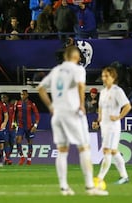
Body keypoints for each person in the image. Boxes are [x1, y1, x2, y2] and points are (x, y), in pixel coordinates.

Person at [37, 46, 108, 196]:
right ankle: (90, 187)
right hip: (72, 112)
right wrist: (82, 104)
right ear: (76, 57)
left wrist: (50, 106)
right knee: (84, 148)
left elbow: (40, 88)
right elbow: (81, 86)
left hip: (57, 114)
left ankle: (64, 187)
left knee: (62, 151)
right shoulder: (78, 69)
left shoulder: (56, 70)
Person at [92, 67, 131, 186]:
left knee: (107, 151)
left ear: (113, 77)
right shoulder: (103, 92)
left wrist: (118, 117)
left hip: (113, 127)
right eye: (103, 76)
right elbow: (100, 108)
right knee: (114, 151)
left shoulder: (117, 91)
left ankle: (99, 178)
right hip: (104, 126)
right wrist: (98, 121)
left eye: (106, 76)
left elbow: (128, 106)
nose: (104, 78)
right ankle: (124, 176)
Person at [14, 90, 40, 165]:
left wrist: (35, 125)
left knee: (30, 142)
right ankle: (22, 157)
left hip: (29, 126)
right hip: (21, 126)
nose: (22, 96)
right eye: (21, 94)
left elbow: (37, 116)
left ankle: (29, 159)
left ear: (27, 95)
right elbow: (14, 115)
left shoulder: (31, 104)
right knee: (18, 140)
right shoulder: (18, 103)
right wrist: (14, 123)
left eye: (24, 94)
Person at [1, 94, 16, 165]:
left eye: (4, 97)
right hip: (4, 128)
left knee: (12, 144)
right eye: (2, 98)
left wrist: (15, 123)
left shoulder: (12, 106)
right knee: (6, 143)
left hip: (12, 128)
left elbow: (16, 115)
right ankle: (7, 158)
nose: (3, 99)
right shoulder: (0, 106)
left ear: (7, 98)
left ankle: (7, 157)